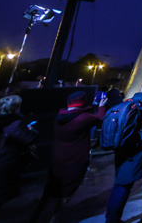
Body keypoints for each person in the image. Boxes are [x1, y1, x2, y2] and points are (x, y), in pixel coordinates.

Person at [30, 91, 108, 222]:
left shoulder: (61, 116)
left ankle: (36, 216)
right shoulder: (83, 118)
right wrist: (101, 105)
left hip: (59, 157)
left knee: (51, 190)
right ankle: (51, 219)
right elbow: (99, 117)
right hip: (75, 158)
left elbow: (80, 113)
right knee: (65, 193)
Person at [105, 82, 142, 223]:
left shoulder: (129, 102)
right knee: (123, 184)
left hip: (122, 146)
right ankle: (112, 219)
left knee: (120, 181)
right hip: (135, 149)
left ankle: (112, 216)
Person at [0, 95, 39, 222]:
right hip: (3, 165)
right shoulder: (15, 122)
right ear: (16, 108)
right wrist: (31, 130)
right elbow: (28, 138)